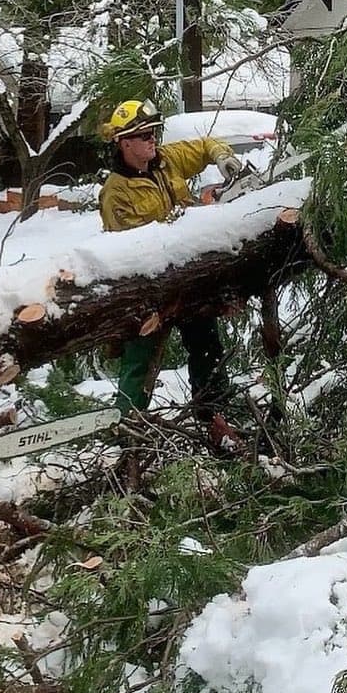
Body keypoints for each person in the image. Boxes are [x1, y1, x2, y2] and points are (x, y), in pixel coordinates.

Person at [98, 99, 243, 440]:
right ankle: (129, 428)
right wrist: (188, 219)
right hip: (147, 289)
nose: (152, 140)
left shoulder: (166, 161)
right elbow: (133, 248)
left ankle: (213, 416)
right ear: (125, 143)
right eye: (144, 135)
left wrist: (223, 157)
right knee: (139, 360)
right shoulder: (115, 194)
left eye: (153, 133)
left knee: (207, 345)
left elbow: (205, 145)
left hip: (188, 279)